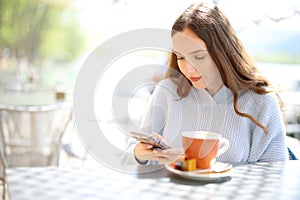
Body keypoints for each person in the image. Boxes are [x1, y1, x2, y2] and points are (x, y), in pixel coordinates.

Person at [122, 2, 289, 165]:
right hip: (171, 192)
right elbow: (128, 156)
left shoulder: (261, 101)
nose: (188, 69)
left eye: (199, 57)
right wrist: (140, 154)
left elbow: (276, 173)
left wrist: (195, 165)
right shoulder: (167, 91)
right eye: (180, 57)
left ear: (223, 52)